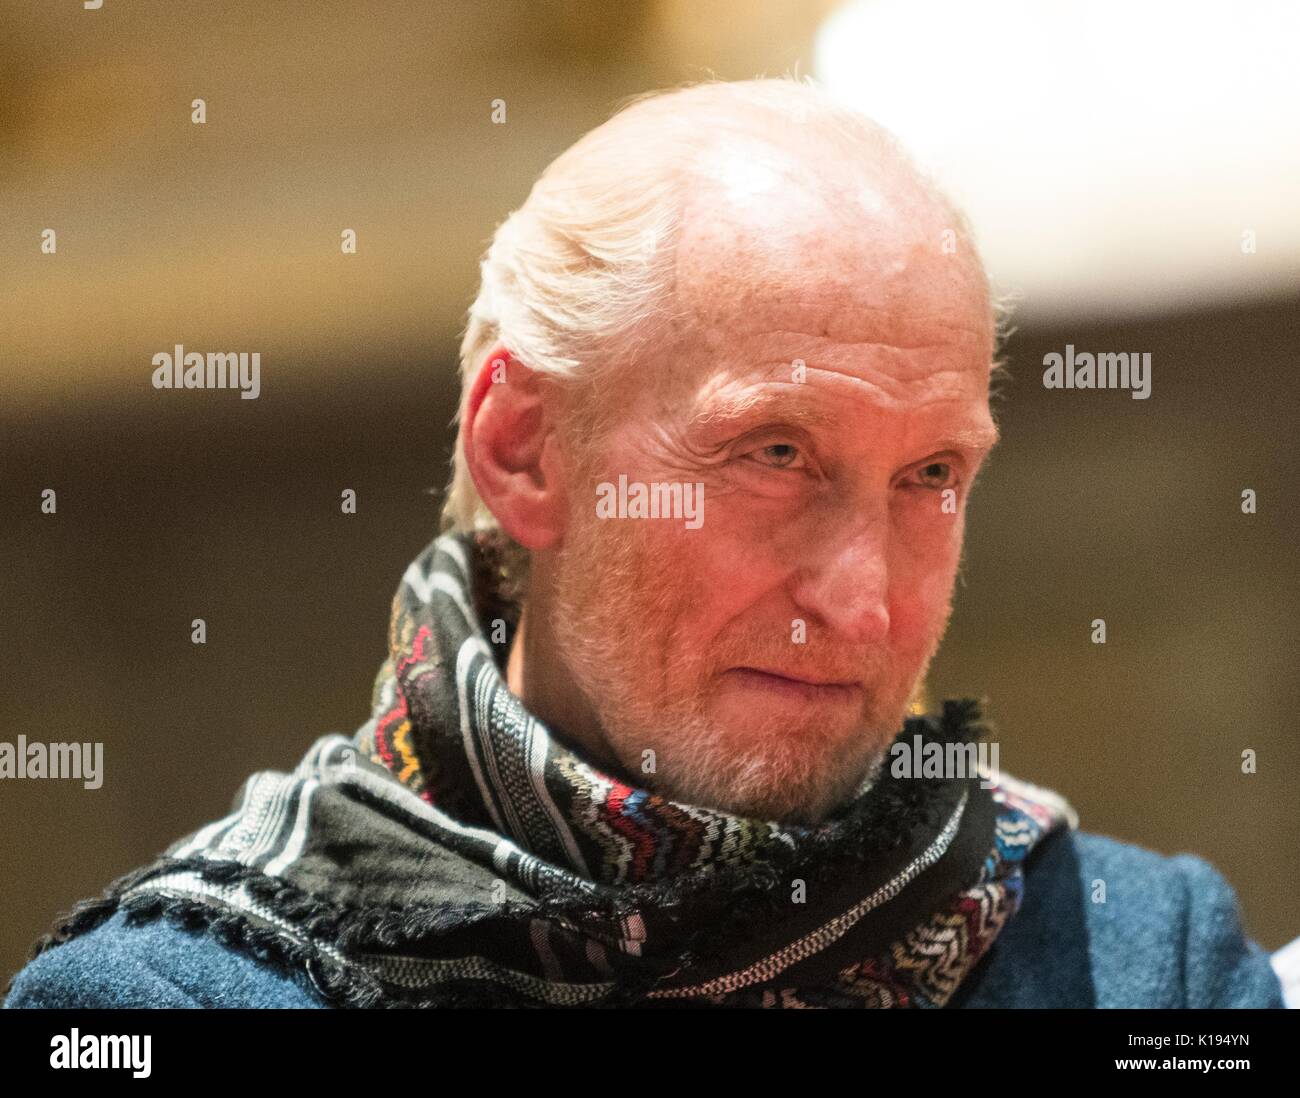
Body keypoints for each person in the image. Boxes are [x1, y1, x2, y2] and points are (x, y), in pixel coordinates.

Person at [4, 77, 1286, 1009]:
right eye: (774, 454)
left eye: (931, 475)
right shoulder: (161, 1005)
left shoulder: (1136, 957)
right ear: (522, 449)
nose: (864, 598)